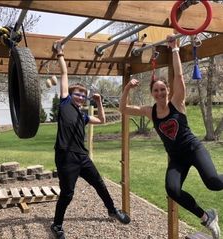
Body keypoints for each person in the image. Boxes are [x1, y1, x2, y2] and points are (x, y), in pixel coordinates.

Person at [119, 35, 222, 239]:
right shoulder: (150, 111)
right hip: (177, 159)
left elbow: (179, 79)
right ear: (152, 93)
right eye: (156, 90)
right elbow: (123, 108)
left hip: (193, 149)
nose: (159, 93)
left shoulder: (177, 102)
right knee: (172, 189)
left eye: (162, 89)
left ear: (168, 90)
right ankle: (206, 217)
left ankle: (210, 208)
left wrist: (174, 49)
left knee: (213, 182)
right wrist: (127, 88)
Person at [50, 40, 130, 239]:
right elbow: (64, 75)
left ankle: (112, 210)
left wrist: (99, 102)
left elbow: (102, 119)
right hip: (65, 157)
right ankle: (57, 225)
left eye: (82, 96)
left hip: (81, 157)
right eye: (77, 94)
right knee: (67, 193)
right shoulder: (65, 103)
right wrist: (60, 53)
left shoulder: (83, 116)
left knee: (100, 184)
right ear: (71, 95)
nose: (79, 97)